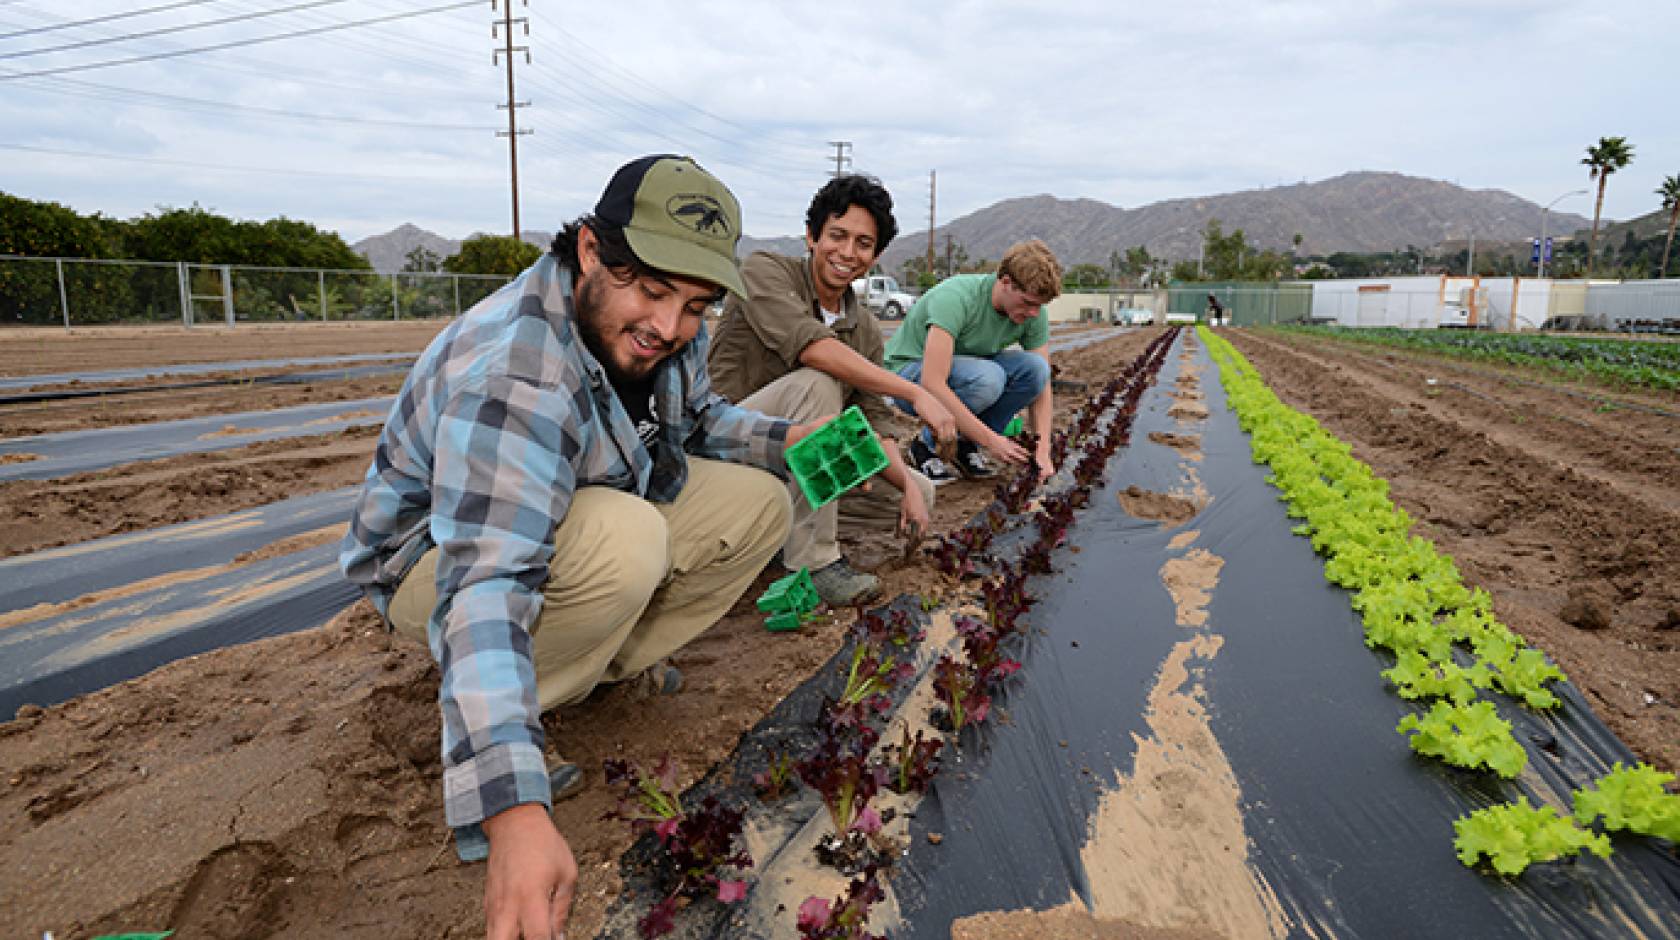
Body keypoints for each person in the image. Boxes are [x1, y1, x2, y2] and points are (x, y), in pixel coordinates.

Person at [340, 154, 815, 940]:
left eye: (695, 305)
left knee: (761, 504)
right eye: (651, 290)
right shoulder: (519, 373)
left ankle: (586, 674)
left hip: (572, 513)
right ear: (591, 250)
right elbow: (487, 583)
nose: (669, 327)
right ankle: (499, 726)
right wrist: (514, 813)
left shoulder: (672, 333)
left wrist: (799, 439)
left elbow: (701, 421)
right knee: (630, 540)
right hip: (434, 564)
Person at [708, 175, 955, 605]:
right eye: (837, 236)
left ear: (875, 256)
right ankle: (814, 561)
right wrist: (916, 393)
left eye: (863, 243)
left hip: (793, 466)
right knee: (818, 384)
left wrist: (909, 487)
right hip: (728, 449)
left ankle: (776, 536)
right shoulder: (764, 272)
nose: (847, 253)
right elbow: (813, 348)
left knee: (918, 490)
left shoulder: (865, 329)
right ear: (812, 236)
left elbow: (876, 421)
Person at [883, 239, 1062, 484]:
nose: (1034, 313)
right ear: (1005, 282)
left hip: (966, 372)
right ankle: (926, 445)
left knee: (1036, 370)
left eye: (1039, 306)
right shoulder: (956, 298)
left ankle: (965, 444)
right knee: (989, 379)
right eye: (1028, 303)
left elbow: (1042, 386)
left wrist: (1043, 451)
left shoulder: (1033, 313)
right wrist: (991, 440)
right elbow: (932, 382)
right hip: (907, 377)